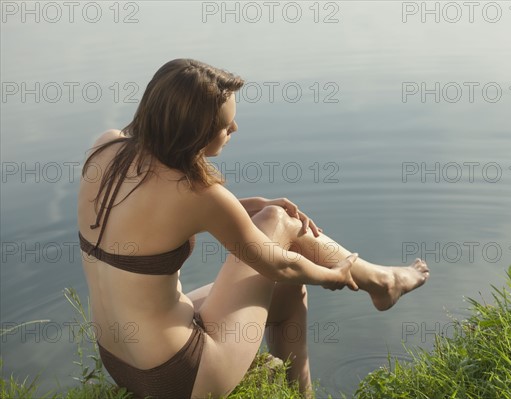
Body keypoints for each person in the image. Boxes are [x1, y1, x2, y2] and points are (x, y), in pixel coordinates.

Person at [77, 58, 430, 399]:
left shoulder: (105, 147)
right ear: (194, 130)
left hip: (121, 364)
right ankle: (381, 282)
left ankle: (303, 391)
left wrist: (248, 204)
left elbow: (155, 217)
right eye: (225, 124)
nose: (234, 129)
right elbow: (281, 265)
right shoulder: (199, 194)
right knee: (279, 224)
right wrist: (335, 275)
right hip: (185, 375)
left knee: (288, 291)